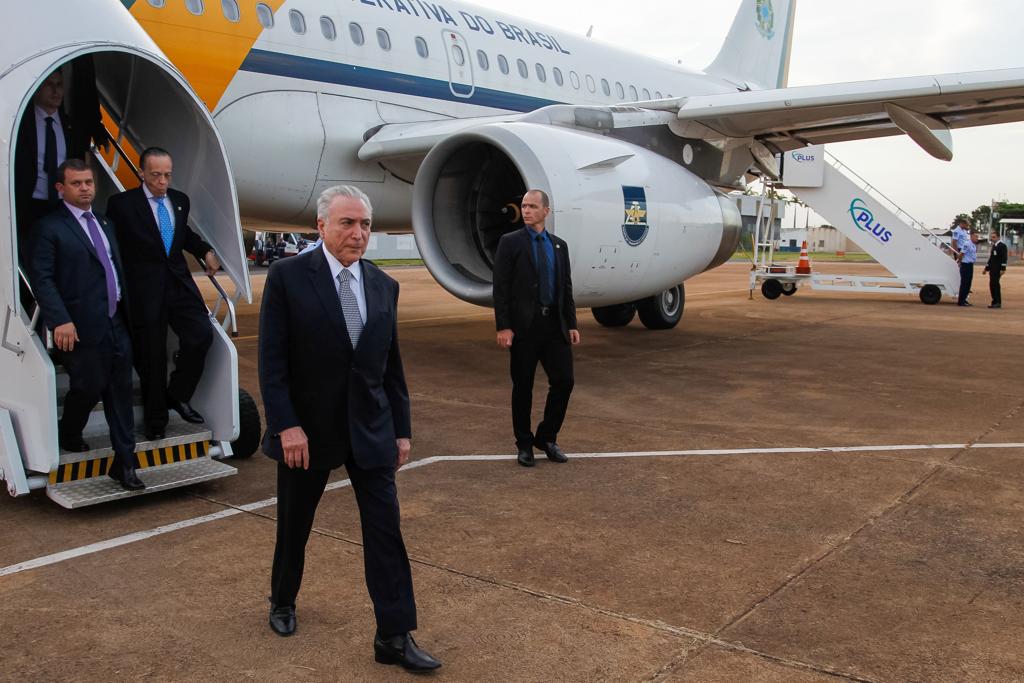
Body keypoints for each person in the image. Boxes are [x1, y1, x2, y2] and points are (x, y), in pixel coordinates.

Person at [258, 185, 440, 672]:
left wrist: (401, 429)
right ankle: (282, 600)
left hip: (372, 429)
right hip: (308, 431)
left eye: (364, 225)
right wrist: (286, 426)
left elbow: (391, 366)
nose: (358, 234)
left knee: (385, 531)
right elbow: (272, 364)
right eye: (347, 223)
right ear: (321, 226)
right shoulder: (288, 277)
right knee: (295, 525)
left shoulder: (383, 285)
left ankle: (394, 636)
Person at [28, 160, 143, 491]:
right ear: (61, 189)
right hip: (79, 325)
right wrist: (59, 319)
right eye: (77, 183)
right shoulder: (50, 228)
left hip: (116, 320)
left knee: (120, 392)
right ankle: (70, 430)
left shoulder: (104, 223)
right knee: (89, 386)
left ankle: (125, 463)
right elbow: (43, 278)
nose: (85, 188)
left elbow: (113, 269)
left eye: (89, 182)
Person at [105, 147, 220, 440]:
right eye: (155, 175)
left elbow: (184, 236)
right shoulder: (122, 205)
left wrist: (205, 250)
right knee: (151, 356)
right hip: (144, 289)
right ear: (142, 173)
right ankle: (156, 421)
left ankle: (177, 394)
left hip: (179, 284)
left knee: (200, 335)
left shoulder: (180, 200)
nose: (162, 181)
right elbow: (110, 248)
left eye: (167, 175)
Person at [492, 189, 580, 467]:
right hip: (524, 328)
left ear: (546, 211)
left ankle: (547, 437)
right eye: (524, 206)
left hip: (555, 325)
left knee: (564, 381)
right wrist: (504, 326)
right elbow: (501, 288)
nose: (526, 211)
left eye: (532, 206)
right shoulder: (510, 243)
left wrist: (572, 323)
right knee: (523, 387)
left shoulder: (559, 246)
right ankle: (524, 444)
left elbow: (565, 287)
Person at [14, 70, 90, 261]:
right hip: (29, 204)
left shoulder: (70, 126)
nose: (56, 91)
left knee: (61, 255)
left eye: (60, 85)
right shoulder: (20, 123)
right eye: (50, 85)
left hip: (61, 204)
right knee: (30, 255)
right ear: (37, 89)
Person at [984, 231, 1008, 308]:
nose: (992, 238)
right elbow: (991, 258)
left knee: (995, 284)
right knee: (992, 284)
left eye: (994, 237)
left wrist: (1003, 268)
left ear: (998, 237)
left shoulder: (1002, 246)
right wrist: (986, 268)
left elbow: (1004, 258)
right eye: (992, 237)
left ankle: (997, 302)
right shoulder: (994, 246)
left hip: (998, 268)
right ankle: (994, 301)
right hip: (992, 268)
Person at [957, 231, 978, 306]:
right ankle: (961, 301)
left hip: (970, 265)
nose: (977, 238)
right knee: (964, 283)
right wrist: (959, 262)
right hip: (965, 265)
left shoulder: (973, 245)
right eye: (976, 236)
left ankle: (964, 299)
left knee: (968, 284)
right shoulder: (967, 244)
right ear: (971, 236)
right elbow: (961, 254)